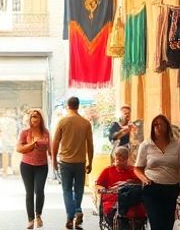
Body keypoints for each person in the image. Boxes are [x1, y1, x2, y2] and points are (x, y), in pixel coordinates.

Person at [133, 114, 180, 230]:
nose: (158, 127)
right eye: (155, 125)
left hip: (171, 188)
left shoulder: (177, 145)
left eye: (160, 124)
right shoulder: (146, 145)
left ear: (167, 127)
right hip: (152, 188)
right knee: (156, 222)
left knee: (168, 223)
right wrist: (144, 179)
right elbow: (137, 168)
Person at [51, 96, 95, 230]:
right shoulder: (85, 123)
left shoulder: (62, 121)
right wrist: (90, 162)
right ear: (78, 106)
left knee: (66, 190)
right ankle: (77, 210)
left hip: (65, 162)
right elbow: (90, 144)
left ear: (68, 106)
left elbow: (55, 142)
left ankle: (71, 215)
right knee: (79, 189)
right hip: (80, 162)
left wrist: (53, 160)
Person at [95, 145, 146, 229]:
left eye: (121, 159)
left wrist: (130, 183)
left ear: (127, 160)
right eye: (116, 159)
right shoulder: (108, 170)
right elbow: (98, 185)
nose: (117, 162)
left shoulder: (134, 170)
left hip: (131, 200)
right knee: (114, 212)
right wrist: (103, 189)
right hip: (112, 200)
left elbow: (142, 182)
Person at [17, 108, 52, 229]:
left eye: (37, 116)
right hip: (26, 165)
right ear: (30, 119)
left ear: (41, 119)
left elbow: (50, 149)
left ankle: (38, 215)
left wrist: (56, 161)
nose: (34, 119)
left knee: (39, 190)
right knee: (29, 192)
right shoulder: (25, 132)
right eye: (32, 116)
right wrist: (31, 145)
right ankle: (30, 219)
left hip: (42, 166)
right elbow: (19, 148)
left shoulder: (46, 132)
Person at [0, 108, 21, 176]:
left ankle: (8, 170)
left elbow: (16, 131)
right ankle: (8, 170)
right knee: (9, 155)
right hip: (7, 140)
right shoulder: (12, 121)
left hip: (9, 139)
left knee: (10, 155)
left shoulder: (4, 120)